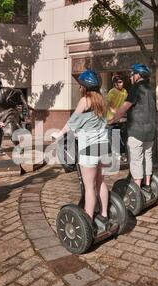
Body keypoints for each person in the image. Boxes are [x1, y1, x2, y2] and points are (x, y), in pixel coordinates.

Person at [53, 70, 111, 225]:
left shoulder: (85, 101)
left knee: (89, 188)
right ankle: (104, 214)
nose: (80, 88)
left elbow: (72, 123)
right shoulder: (102, 101)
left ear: (85, 87)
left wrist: (59, 135)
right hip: (104, 147)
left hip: (90, 149)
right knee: (101, 182)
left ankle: (88, 221)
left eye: (80, 86)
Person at [109, 64, 156, 194]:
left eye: (132, 74)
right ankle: (147, 185)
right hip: (150, 131)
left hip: (137, 130)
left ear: (138, 75)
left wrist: (112, 120)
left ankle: (137, 188)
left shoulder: (136, 89)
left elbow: (125, 107)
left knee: (136, 160)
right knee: (148, 157)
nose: (130, 77)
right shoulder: (150, 89)